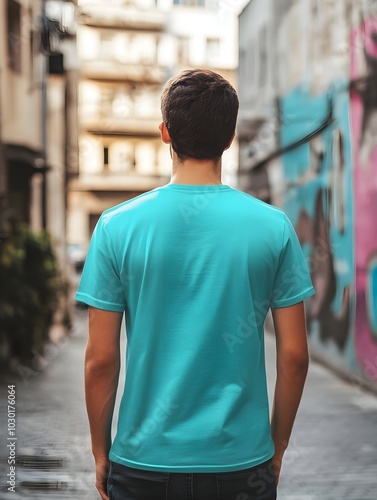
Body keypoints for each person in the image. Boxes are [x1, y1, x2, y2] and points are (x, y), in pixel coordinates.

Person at [76, 69, 315, 500]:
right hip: (242, 465)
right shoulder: (273, 228)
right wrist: (275, 450)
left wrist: (100, 451)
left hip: (142, 463)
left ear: (165, 133)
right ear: (230, 137)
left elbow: (100, 360)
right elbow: (295, 357)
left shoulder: (115, 227)